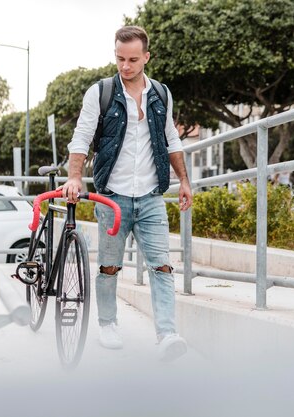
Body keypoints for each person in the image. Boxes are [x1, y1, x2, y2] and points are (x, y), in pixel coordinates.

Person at [62, 25, 193, 362]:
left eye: (133, 59)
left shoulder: (161, 94)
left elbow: (171, 139)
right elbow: (81, 137)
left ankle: (167, 334)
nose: (126, 65)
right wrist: (75, 178)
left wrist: (185, 181)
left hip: (151, 196)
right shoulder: (101, 92)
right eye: (120, 58)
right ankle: (108, 324)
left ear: (146, 57)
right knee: (109, 267)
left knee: (162, 266)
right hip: (113, 197)